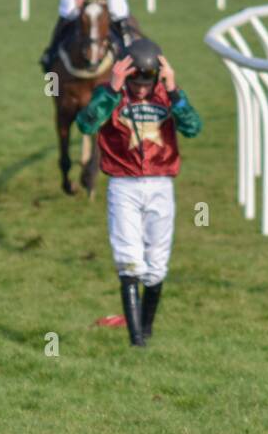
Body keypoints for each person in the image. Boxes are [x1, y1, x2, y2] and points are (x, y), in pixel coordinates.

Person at [76, 38, 202, 347]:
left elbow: (193, 128)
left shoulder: (167, 95)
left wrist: (174, 92)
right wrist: (111, 90)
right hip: (123, 185)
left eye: (148, 82)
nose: (142, 89)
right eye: (136, 82)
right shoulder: (110, 93)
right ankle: (137, 342)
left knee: (157, 265)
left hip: (161, 184)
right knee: (129, 260)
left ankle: (146, 331)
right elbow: (86, 125)